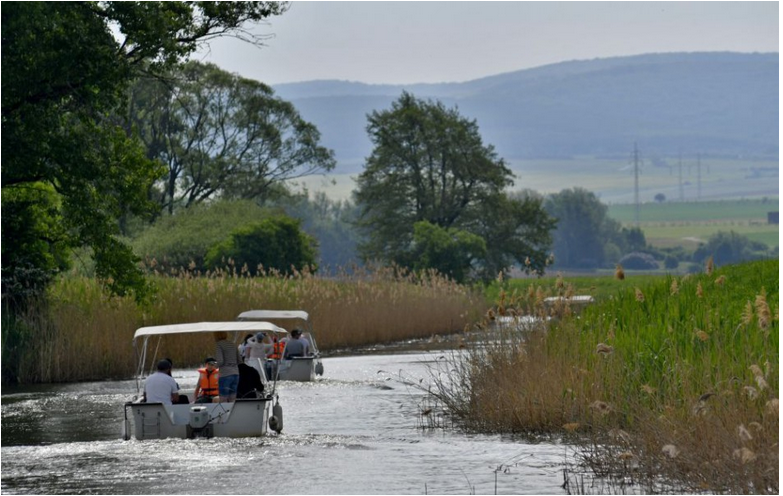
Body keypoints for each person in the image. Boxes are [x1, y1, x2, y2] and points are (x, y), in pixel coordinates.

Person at [214, 331, 241, 402]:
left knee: (223, 400)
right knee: (232, 399)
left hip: (225, 374)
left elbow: (220, 361)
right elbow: (240, 360)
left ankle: (224, 413)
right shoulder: (233, 344)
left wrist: (214, 366)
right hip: (236, 374)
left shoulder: (219, 345)